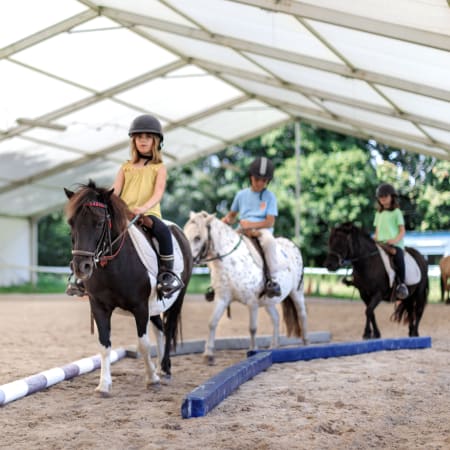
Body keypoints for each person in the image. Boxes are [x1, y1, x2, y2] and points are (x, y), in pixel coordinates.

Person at [67, 114, 183, 298]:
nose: (143, 141)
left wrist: (144, 208)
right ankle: (81, 277)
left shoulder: (159, 167)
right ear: (134, 141)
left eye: (148, 137)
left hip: (147, 212)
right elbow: (115, 190)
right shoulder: (125, 167)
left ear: (156, 141)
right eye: (139, 137)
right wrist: (99, 199)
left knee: (162, 231)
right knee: (94, 233)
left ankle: (167, 275)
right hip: (124, 213)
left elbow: (158, 193)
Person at [222, 157, 281, 297]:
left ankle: (273, 280)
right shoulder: (241, 195)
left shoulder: (270, 197)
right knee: (225, 244)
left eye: (264, 181)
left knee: (269, 242)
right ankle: (220, 281)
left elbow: (270, 222)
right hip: (243, 229)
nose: (260, 183)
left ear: (268, 181)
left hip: (262, 231)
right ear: (251, 177)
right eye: (257, 179)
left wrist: (251, 225)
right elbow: (232, 216)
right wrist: (223, 221)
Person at [373, 182, 409, 300]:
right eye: (381, 197)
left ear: (392, 197)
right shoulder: (378, 214)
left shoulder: (396, 212)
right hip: (380, 243)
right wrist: (375, 239)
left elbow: (402, 231)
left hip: (394, 244)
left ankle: (401, 284)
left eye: (385, 196)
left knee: (398, 256)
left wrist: (394, 241)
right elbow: (377, 231)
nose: (383, 199)